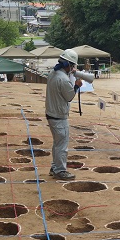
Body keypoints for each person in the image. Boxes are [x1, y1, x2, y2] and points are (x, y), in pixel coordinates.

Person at [46, 49, 82, 180]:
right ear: (68, 64)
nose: (72, 68)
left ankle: (55, 167)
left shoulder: (53, 73)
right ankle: (60, 170)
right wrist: (77, 86)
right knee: (62, 144)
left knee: (57, 143)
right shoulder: (63, 79)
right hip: (59, 116)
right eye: (72, 66)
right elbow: (70, 96)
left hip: (51, 113)